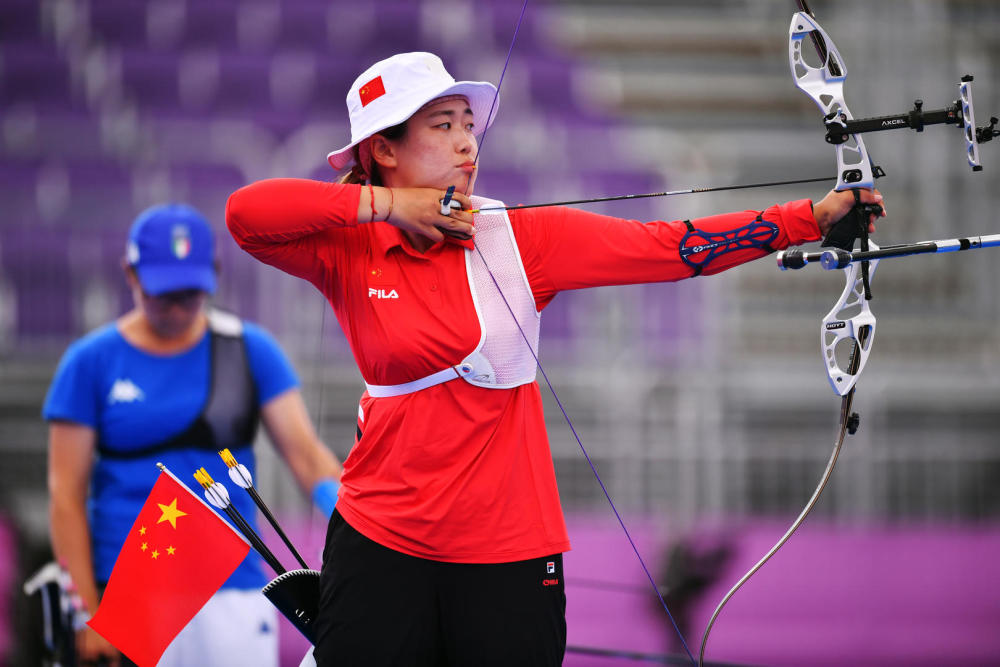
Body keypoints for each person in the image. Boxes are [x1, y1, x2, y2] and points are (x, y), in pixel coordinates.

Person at [225, 52, 885, 666]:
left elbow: (673, 247)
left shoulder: (520, 237)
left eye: (468, 126)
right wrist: (390, 206)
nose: (467, 142)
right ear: (383, 150)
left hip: (509, 549)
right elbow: (245, 214)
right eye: (442, 125)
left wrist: (811, 218)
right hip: (380, 539)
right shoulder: (348, 246)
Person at [44, 203, 343, 667]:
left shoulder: (249, 349)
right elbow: (65, 496)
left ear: (214, 275)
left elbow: (308, 459)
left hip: (232, 589)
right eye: (164, 293)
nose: (178, 307)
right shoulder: (89, 362)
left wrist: (358, 532)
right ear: (130, 274)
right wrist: (86, 611)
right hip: (127, 594)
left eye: (191, 293)